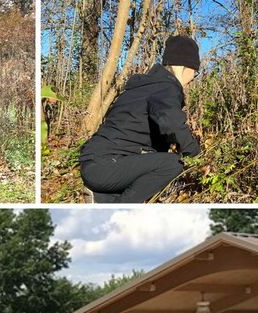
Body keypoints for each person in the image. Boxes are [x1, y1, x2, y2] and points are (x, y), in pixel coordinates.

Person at [78, 35, 201, 203]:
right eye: (195, 71)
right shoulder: (167, 86)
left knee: (155, 158)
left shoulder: (143, 87)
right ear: (183, 66)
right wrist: (195, 155)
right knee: (173, 164)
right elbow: (171, 122)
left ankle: (102, 199)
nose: (194, 76)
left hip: (97, 162)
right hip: (107, 165)